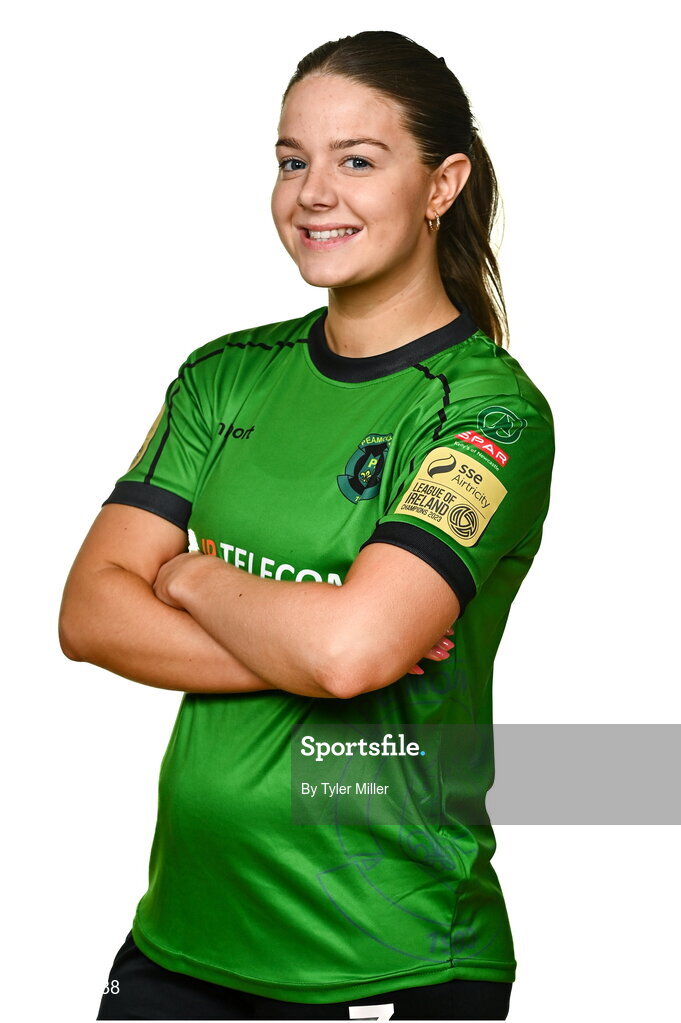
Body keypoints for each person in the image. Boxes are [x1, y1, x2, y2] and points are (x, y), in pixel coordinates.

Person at [59, 29, 554, 1022]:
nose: (312, 193)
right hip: (181, 938)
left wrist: (190, 578)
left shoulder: (483, 413)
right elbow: (88, 615)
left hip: (382, 956)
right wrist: (318, 632)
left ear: (442, 184)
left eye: (357, 161)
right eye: (292, 161)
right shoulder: (223, 375)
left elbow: (349, 657)